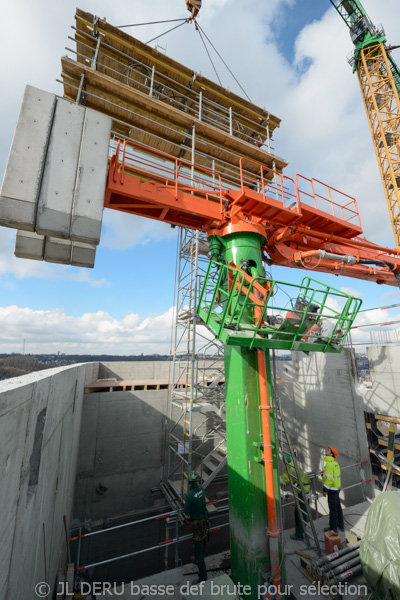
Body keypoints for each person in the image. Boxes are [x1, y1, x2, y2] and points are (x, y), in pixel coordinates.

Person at [184, 471, 208, 582]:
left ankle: (202, 577)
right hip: (205, 523)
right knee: (202, 544)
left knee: (198, 550)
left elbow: (186, 511)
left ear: (189, 483)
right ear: (197, 481)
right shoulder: (202, 489)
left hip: (197, 526)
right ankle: (198, 559)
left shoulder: (189, 496)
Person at [280, 454, 311, 541]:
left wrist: (275, 479)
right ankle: (302, 529)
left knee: (299, 514)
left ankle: (299, 534)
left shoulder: (291, 469)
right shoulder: (294, 465)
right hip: (305, 491)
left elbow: (284, 480)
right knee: (301, 512)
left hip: (303, 492)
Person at [322, 446, 344, 535]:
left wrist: (325, 490)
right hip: (336, 488)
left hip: (332, 490)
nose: (326, 451)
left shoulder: (329, 465)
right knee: (338, 507)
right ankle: (340, 524)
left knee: (333, 510)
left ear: (331, 454)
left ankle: (333, 529)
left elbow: (330, 480)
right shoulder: (335, 463)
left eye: (328, 450)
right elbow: (333, 476)